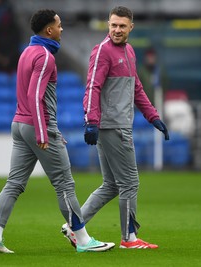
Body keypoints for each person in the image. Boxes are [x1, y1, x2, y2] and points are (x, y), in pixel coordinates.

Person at [0, 9, 115, 254]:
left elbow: (26, 95)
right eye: (59, 25)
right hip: (37, 126)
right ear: (49, 30)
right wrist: (45, 132)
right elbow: (35, 96)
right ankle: (84, 240)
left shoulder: (27, 52)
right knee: (65, 185)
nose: (62, 29)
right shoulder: (45, 57)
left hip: (20, 125)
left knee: (13, 184)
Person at [61, 6, 169, 250]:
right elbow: (92, 87)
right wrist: (91, 121)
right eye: (113, 25)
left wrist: (153, 117)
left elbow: (137, 88)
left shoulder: (129, 52)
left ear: (131, 27)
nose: (117, 30)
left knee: (111, 185)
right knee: (130, 182)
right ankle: (129, 238)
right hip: (113, 126)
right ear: (108, 25)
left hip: (117, 125)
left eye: (122, 26)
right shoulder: (102, 51)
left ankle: (73, 226)